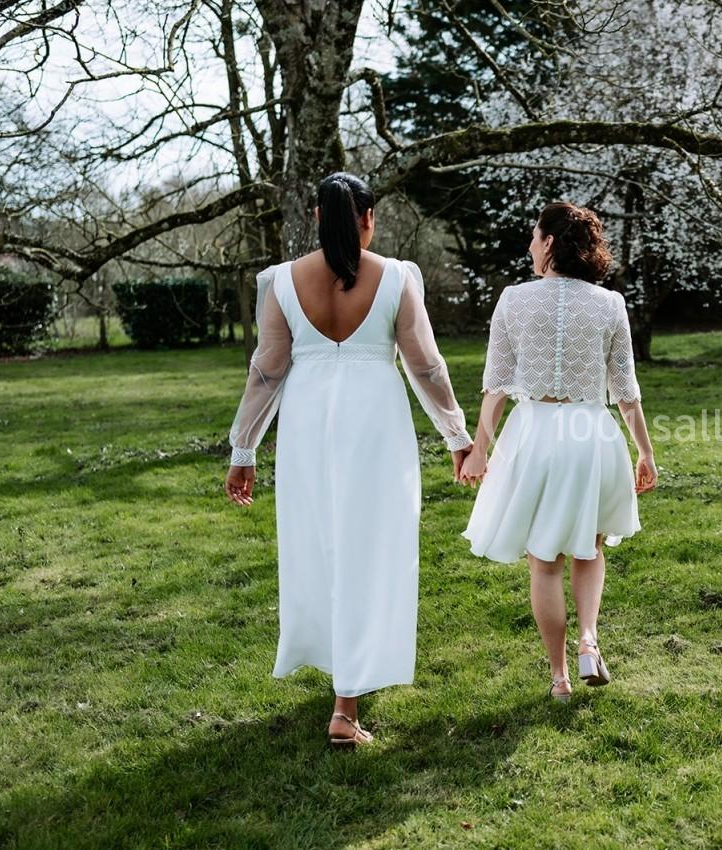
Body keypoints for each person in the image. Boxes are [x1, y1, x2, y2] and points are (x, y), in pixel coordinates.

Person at [224, 172, 473, 747]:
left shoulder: (281, 281)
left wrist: (245, 449)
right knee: (372, 548)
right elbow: (426, 367)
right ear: (368, 218)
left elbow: (267, 371)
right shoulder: (395, 277)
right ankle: (346, 705)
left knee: (321, 545)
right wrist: (456, 436)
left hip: (309, 425)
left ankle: (344, 681)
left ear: (315, 218)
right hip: (374, 425)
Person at [459, 201, 657, 702]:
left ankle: (559, 677)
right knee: (588, 545)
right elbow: (626, 391)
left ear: (548, 242)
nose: (529, 245)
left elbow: (496, 387)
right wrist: (645, 452)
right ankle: (589, 641)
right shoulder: (610, 304)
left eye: (533, 236)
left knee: (543, 561)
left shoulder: (513, 300)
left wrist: (480, 450)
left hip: (534, 435)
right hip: (592, 433)